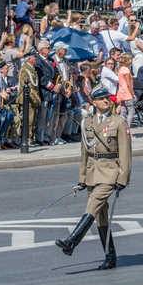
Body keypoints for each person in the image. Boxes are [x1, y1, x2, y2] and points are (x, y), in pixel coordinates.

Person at [55, 86, 131, 270]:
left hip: (110, 172)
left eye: (108, 98)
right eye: (102, 98)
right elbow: (84, 153)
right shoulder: (87, 123)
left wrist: (123, 178)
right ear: (94, 102)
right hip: (92, 172)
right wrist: (82, 178)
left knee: (93, 205)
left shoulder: (118, 122)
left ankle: (72, 241)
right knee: (101, 217)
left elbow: (126, 152)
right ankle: (110, 256)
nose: (106, 100)